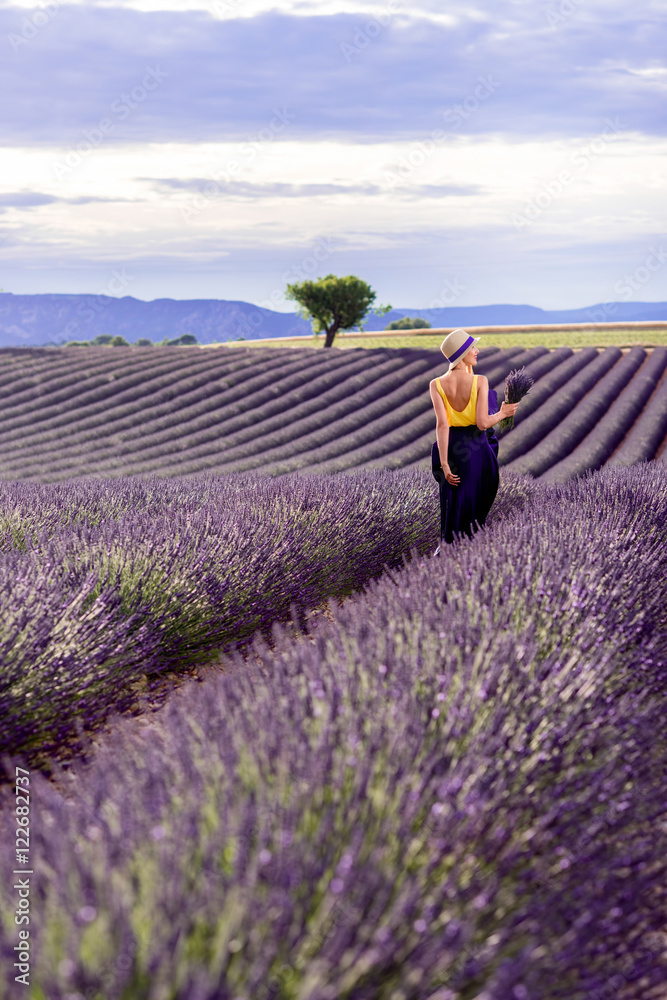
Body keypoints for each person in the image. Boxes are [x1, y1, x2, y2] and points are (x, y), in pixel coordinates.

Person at [429, 328, 520, 550]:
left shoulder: (436, 384)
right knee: (475, 510)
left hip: (450, 451)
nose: (477, 351)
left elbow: (442, 425)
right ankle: (469, 553)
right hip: (475, 450)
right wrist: (502, 414)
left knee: (453, 506)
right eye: (472, 348)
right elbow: (482, 423)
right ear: (462, 353)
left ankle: (448, 552)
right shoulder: (479, 381)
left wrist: (444, 463)